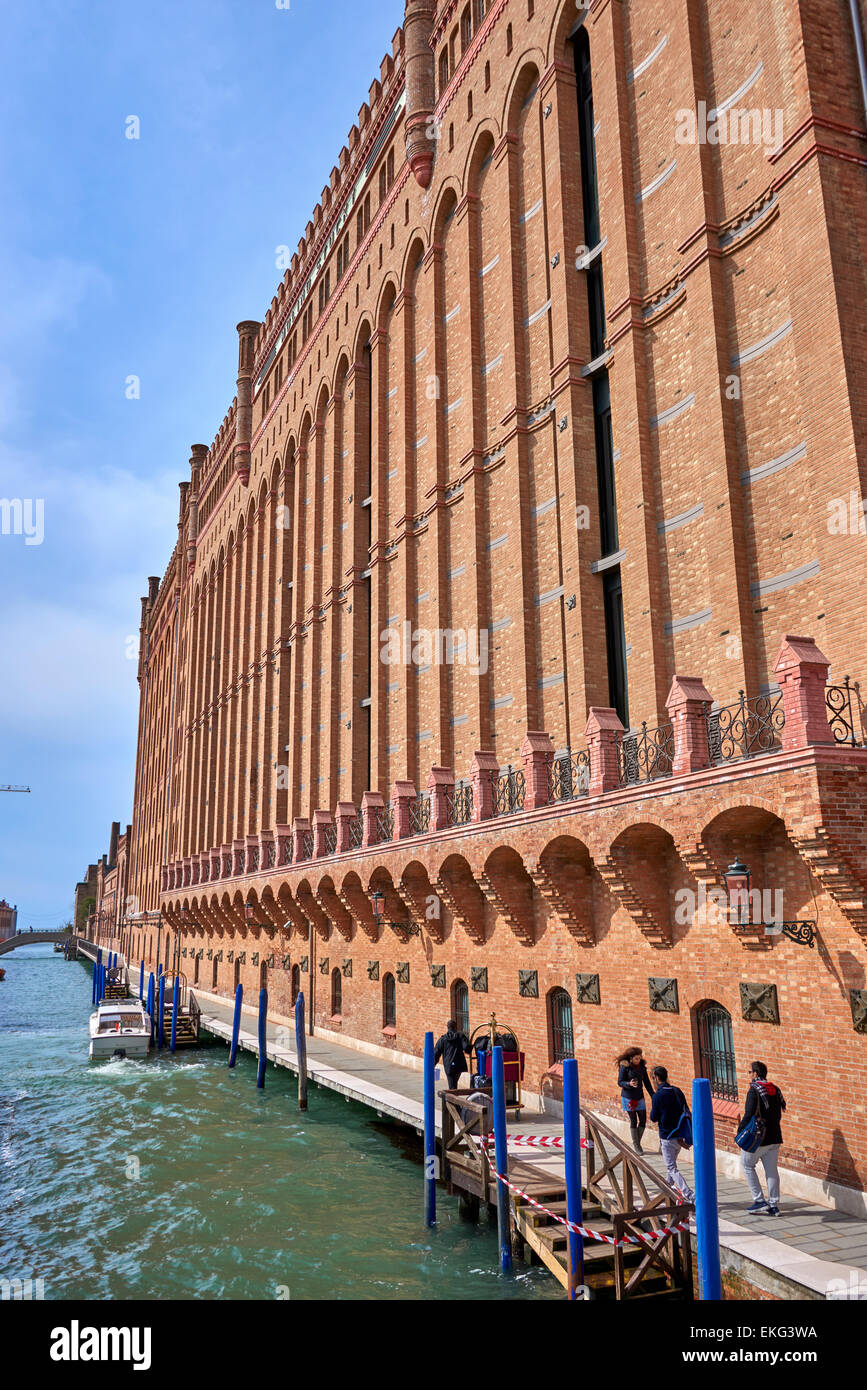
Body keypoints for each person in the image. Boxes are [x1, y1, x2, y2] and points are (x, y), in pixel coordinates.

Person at [741, 1060, 786, 1216]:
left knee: (747, 1165)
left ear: (755, 1074)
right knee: (772, 1171)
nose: (749, 1075)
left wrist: (740, 1131)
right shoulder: (775, 1089)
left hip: (759, 1138)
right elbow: (779, 1113)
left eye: (749, 1072)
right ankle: (774, 1205)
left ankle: (759, 1200)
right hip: (775, 1137)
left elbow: (749, 1114)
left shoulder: (754, 1091)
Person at [650, 1065, 694, 1203]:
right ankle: (667, 1189)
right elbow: (685, 1109)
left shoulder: (658, 1096)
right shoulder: (677, 1091)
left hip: (667, 1136)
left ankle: (689, 1194)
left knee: (671, 1167)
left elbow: (653, 1117)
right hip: (680, 1135)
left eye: (652, 1078)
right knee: (672, 1164)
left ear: (656, 1078)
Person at [616, 1046, 655, 1152]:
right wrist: (629, 1083)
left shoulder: (642, 1067)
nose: (639, 1060)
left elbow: (646, 1082)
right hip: (628, 1097)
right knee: (633, 1120)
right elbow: (620, 1082)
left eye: (639, 1058)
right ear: (631, 1059)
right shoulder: (625, 1067)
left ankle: (637, 1143)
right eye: (636, 1058)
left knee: (643, 1120)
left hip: (639, 1096)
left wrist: (653, 1095)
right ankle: (637, 1145)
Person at [434, 1019, 471, 1091]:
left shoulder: (442, 1039)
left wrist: (433, 1064)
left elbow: (436, 1052)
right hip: (458, 1064)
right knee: (454, 1084)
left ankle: (453, 1100)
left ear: (447, 1027)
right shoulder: (461, 1036)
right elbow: (467, 1049)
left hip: (448, 1065)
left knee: (452, 1085)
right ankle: (454, 1098)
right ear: (455, 1027)